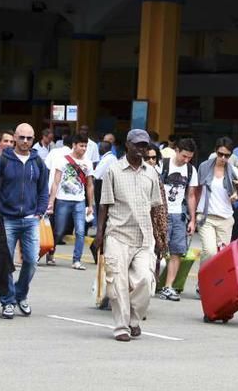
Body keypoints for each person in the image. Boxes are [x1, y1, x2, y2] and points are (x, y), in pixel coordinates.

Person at [94, 129, 167, 341]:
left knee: (145, 279)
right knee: (118, 283)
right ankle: (121, 327)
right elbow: (104, 205)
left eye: (145, 145)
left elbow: (156, 208)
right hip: (118, 234)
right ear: (127, 145)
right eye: (137, 145)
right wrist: (99, 234)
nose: (141, 149)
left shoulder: (151, 173)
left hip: (144, 236)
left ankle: (134, 319)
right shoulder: (113, 170)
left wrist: (160, 237)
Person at [0, 123, 49, 319]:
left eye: (29, 138)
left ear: (33, 139)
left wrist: (39, 212)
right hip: (7, 219)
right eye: (22, 137)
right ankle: (8, 301)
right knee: (5, 262)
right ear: (15, 138)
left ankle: (21, 294)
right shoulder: (3, 160)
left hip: (31, 220)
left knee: (32, 261)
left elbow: (43, 190)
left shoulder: (38, 162)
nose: (25, 141)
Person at [45, 134, 95, 270]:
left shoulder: (88, 163)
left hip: (80, 201)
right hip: (63, 200)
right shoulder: (63, 160)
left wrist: (90, 205)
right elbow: (56, 182)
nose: (84, 149)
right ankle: (50, 253)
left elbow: (90, 185)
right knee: (59, 231)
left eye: (85, 146)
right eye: (81, 145)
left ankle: (76, 260)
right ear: (74, 145)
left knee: (80, 231)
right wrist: (51, 201)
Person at [157, 137, 198, 301]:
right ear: (177, 151)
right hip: (161, 213)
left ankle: (168, 287)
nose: (186, 160)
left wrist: (192, 220)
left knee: (177, 252)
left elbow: (191, 195)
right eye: (184, 156)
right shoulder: (163, 165)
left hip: (179, 215)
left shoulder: (191, 170)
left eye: (190, 157)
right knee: (157, 250)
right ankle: (151, 283)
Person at [195, 137, 238, 274]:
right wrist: (193, 215)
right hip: (206, 217)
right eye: (220, 154)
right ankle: (203, 281)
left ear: (231, 155)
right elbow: (197, 190)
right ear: (215, 151)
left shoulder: (233, 170)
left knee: (221, 256)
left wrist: (237, 194)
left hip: (225, 219)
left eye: (226, 155)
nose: (223, 158)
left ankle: (213, 283)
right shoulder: (204, 167)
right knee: (209, 251)